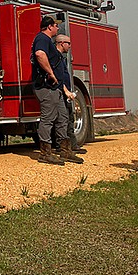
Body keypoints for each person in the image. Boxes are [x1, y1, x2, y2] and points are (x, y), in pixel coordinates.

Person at [32, 16, 83, 165]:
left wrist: (64, 89)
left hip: (57, 88)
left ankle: (65, 151)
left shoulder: (48, 42)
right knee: (48, 119)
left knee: (62, 118)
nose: (58, 28)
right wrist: (50, 73)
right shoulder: (42, 38)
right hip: (46, 87)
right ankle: (45, 153)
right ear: (49, 27)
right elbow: (39, 54)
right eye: (55, 25)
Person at [54, 34, 86, 154]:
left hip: (65, 92)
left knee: (69, 118)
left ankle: (72, 145)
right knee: (63, 119)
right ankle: (62, 146)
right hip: (61, 92)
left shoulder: (61, 57)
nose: (70, 46)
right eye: (68, 43)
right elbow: (58, 77)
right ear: (62, 43)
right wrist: (66, 91)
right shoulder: (56, 57)